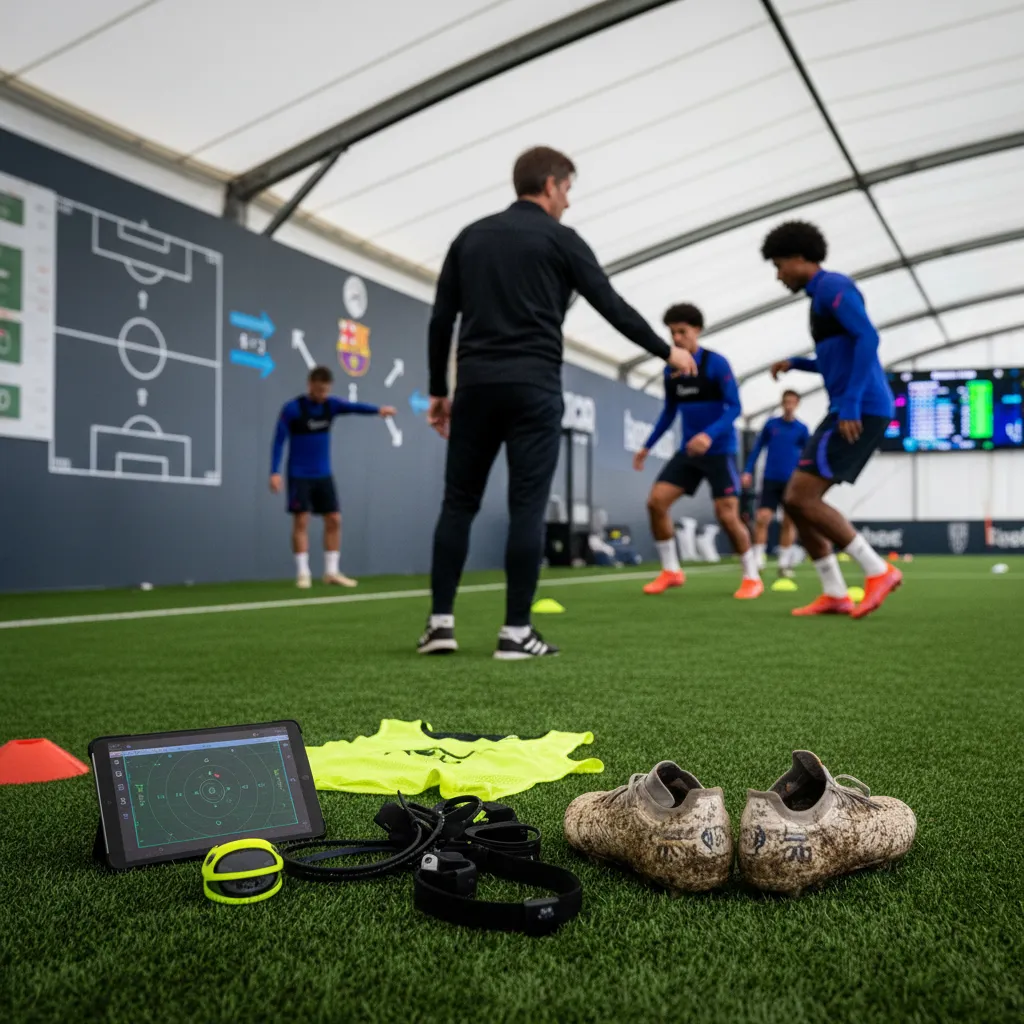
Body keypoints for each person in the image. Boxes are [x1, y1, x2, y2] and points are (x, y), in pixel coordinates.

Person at [419, 146, 697, 659]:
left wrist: (439, 390)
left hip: (476, 387)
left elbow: (441, 321)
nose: (568, 201)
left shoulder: (469, 236)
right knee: (527, 506)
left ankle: (440, 626)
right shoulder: (561, 239)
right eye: (567, 189)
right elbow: (611, 305)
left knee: (458, 504)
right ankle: (515, 633)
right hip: (534, 388)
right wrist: (669, 351)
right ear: (549, 184)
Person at [760, 220, 901, 618]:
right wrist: (798, 364)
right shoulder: (818, 297)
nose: (778, 274)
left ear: (801, 258)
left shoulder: (833, 287)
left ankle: (878, 570)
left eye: (780, 264)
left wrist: (852, 403)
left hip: (860, 407)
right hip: (847, 404)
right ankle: (834, 591)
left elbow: (868, 338)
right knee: (796, 502)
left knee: (801, 498)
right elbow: (836, 357)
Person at [634, 303, 763, 600]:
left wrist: (709, 434)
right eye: (672, 333)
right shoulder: (671, 370)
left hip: (720, 451)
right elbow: (669, 412)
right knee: (656, 502)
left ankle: (752, 577)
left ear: (697, 331)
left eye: (682, 331)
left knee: (727, 516)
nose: (677, 338)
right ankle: (671, 570)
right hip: (689, 453)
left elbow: (735, 407)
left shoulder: (717, 364)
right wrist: (646, 446)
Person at [270, 366, 396, 589]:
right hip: (299, 475)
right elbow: (279, 440)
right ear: (310, 385)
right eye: (319, 391)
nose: (322, 395)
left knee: (335, 520)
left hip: (323, 474)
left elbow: (354, 407)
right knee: (301, 521)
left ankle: (331, 571)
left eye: (326, 391)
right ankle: (303, 573)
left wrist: (378, 410)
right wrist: (274, 471)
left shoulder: (331, 405)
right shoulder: (292, 409)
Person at [741, 390, 810, 578]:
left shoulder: (802, 429)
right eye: (786, 401)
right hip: (770, 478)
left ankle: (784, 563)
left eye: (792, 402)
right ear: (782, 403)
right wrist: (747, 470)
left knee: (789, 522)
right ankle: (758, 560)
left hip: (791, 481)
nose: (789, 405)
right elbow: (757, 449)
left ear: (797, 404)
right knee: (763, 518)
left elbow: (807, 456)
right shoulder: (771, 425)